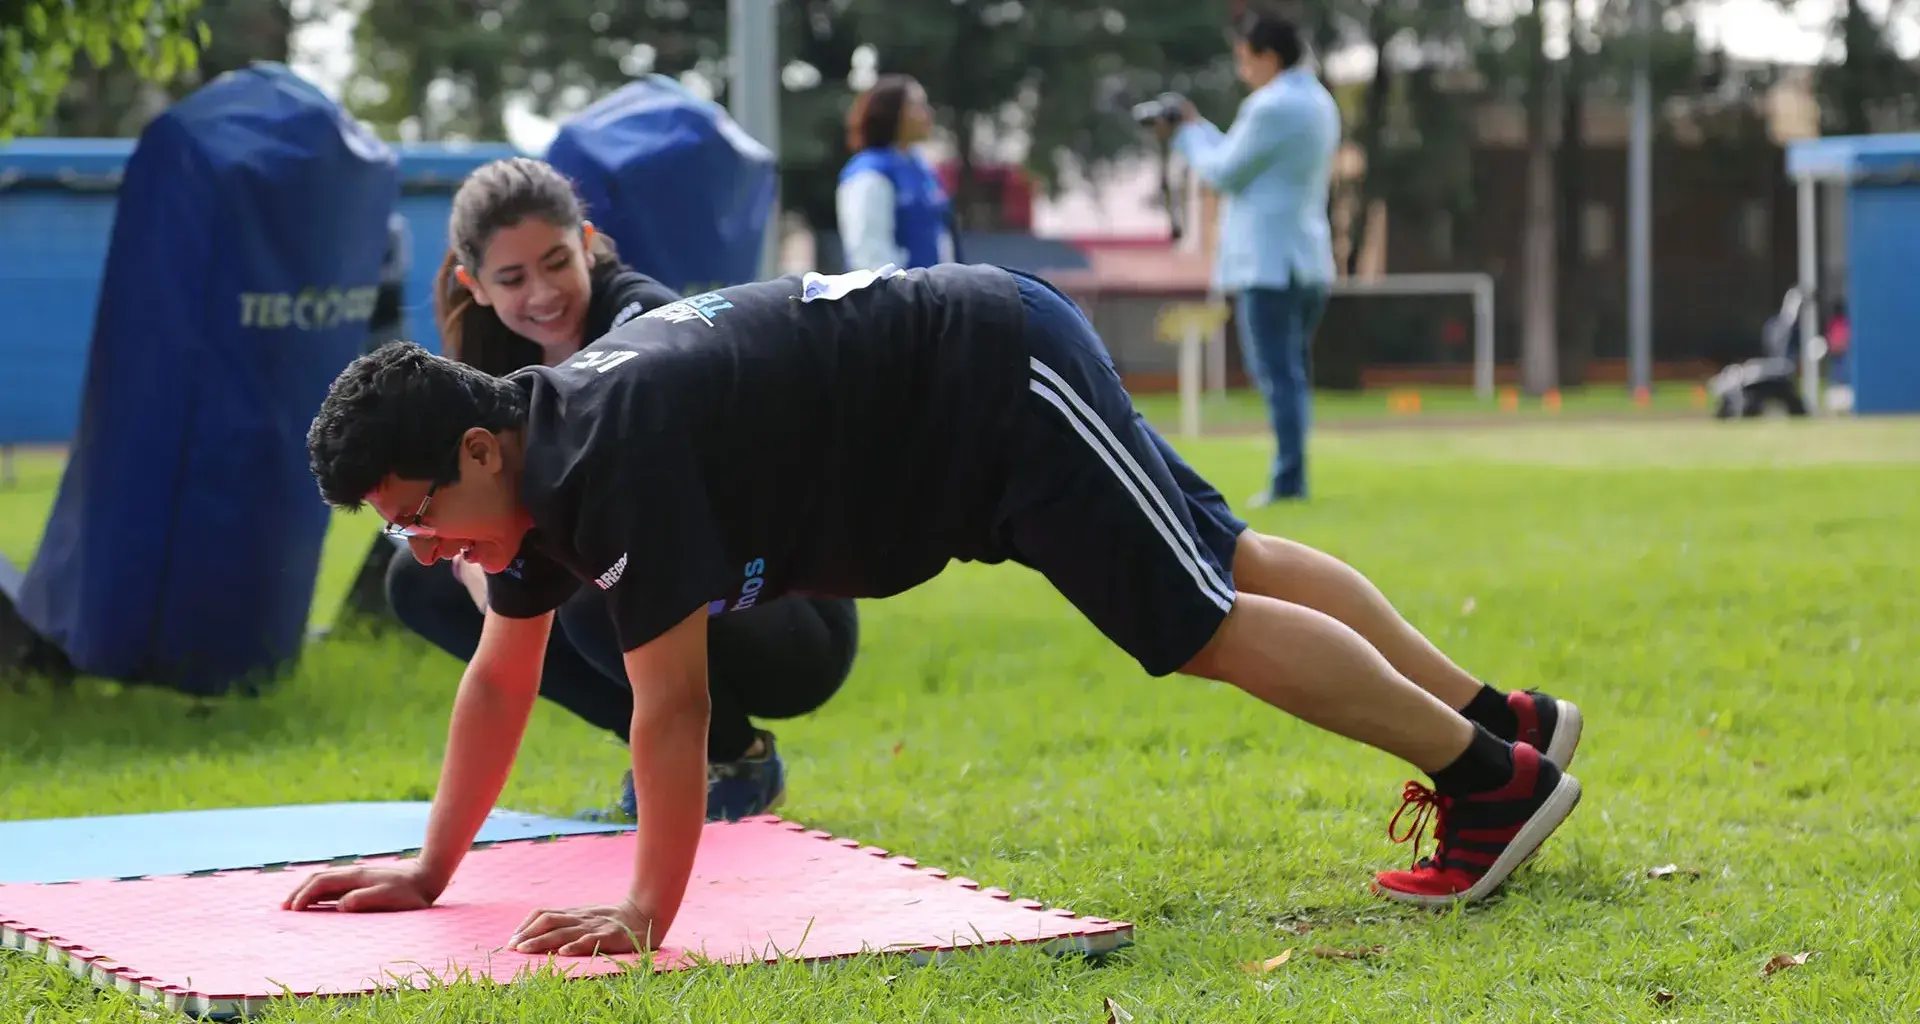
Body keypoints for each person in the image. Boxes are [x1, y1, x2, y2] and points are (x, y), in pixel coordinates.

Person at [290, 260, 1585, 957]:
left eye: (413, 512)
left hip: (988, 384)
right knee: (1223, 557)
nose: (420, 547)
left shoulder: (599, 461)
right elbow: (499, 680)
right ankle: (1504, 719)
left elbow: (671, 707)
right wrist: (427, 870)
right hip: (953, 432)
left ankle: (1488, 778)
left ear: (474, 447)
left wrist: (644, 914)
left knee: (1196, 619)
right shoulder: (526, 477)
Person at [386, 155, 861, 822]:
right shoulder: (490, 355)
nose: (543, 293)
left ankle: (733, 758)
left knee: (593, 578)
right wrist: (479, 571)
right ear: (477, 285)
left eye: (556, 261)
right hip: (655, 581)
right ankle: (676, 753)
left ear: (585, 241)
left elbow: (651, 522)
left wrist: (515, 575)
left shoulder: (642, 319)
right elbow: (469, 504)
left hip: (790, 612)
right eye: (513, 278)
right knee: (417, 577)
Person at [1161, 7, 1340, 506]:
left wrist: (1186, 134)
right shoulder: (1320, 102)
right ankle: (1292, 472)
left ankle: (1289, 479)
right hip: (1307, 259)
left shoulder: (1270, 107)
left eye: (1245, 60)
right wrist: (1201, 132)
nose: (1243, 72)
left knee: (1277, 375)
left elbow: (1223, 173)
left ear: (1268, 56)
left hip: (1267, 264)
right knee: (1292, 373)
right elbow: (1247, 162)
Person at [836, 74, 957, 272]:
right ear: (892, 113)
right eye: (918, 106)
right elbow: (870, 256)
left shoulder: (921, 167)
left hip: (932, 296)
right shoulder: (870, 173)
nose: (928, 114)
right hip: (901, 298)